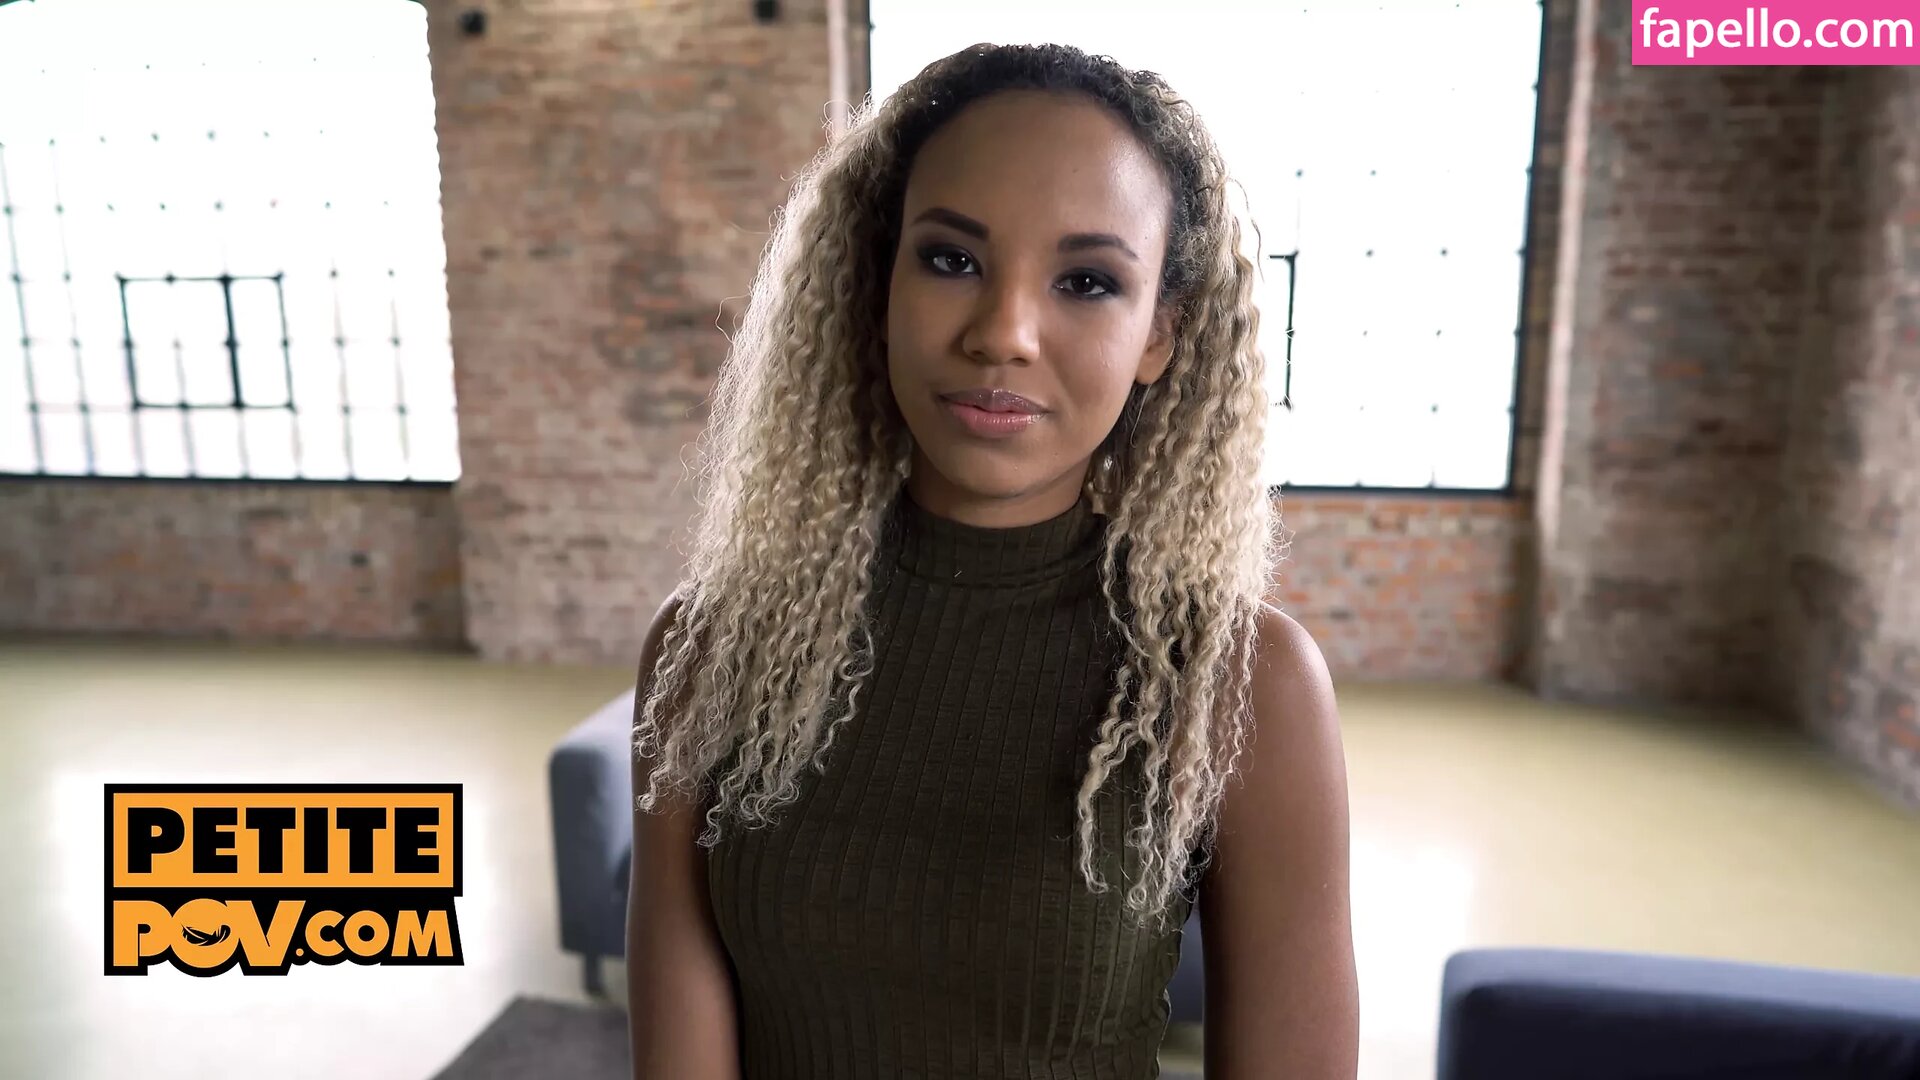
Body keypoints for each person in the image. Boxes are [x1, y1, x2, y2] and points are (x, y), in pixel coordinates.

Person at [625, 41, 1358, 1080]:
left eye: (1088, 281)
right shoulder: (707, 650)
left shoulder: (1243, 683)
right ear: (876, 283)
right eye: (952, 261)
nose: (1004, 333)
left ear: (1160, 335)